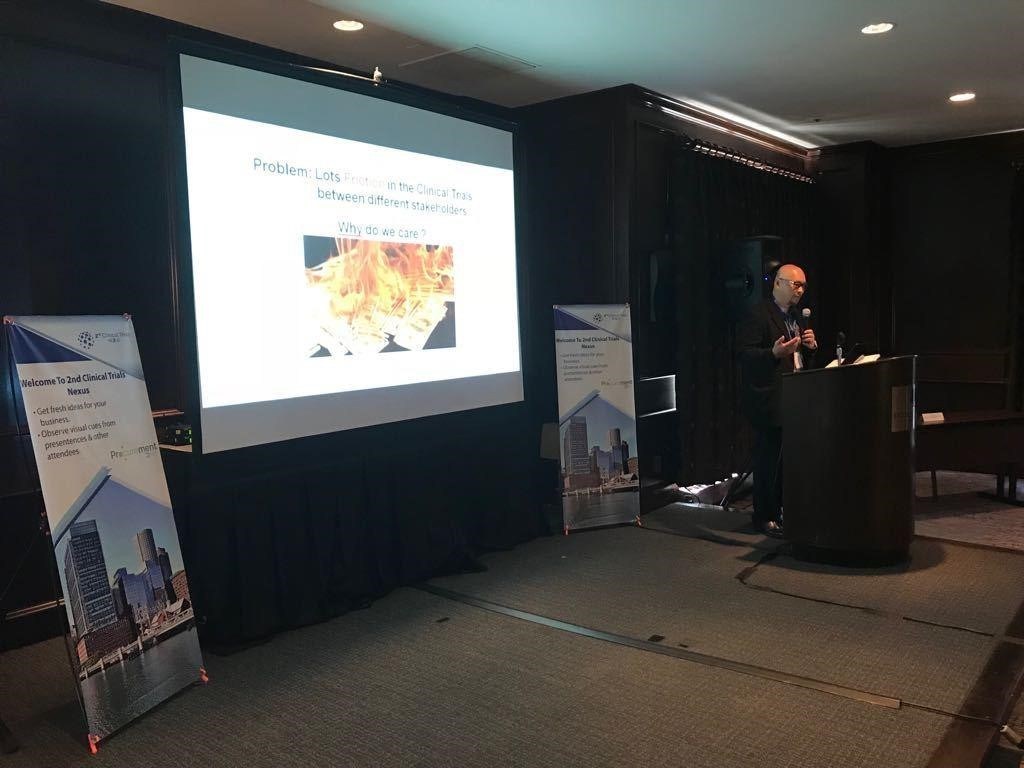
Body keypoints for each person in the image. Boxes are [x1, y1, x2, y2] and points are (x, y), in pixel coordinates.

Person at [737, 263, 817, 537]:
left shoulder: (796, 316)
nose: (800, 290)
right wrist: (772, 353)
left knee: (788, 461)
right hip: (769, 399)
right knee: (768, 461)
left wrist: (810, 348)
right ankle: (765, 516)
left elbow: (798, 360)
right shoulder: (758, 314)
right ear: (778, 283)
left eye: (804, 286)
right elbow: (744, 355)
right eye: (796, 284)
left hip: (795, 397)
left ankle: (785, 510)